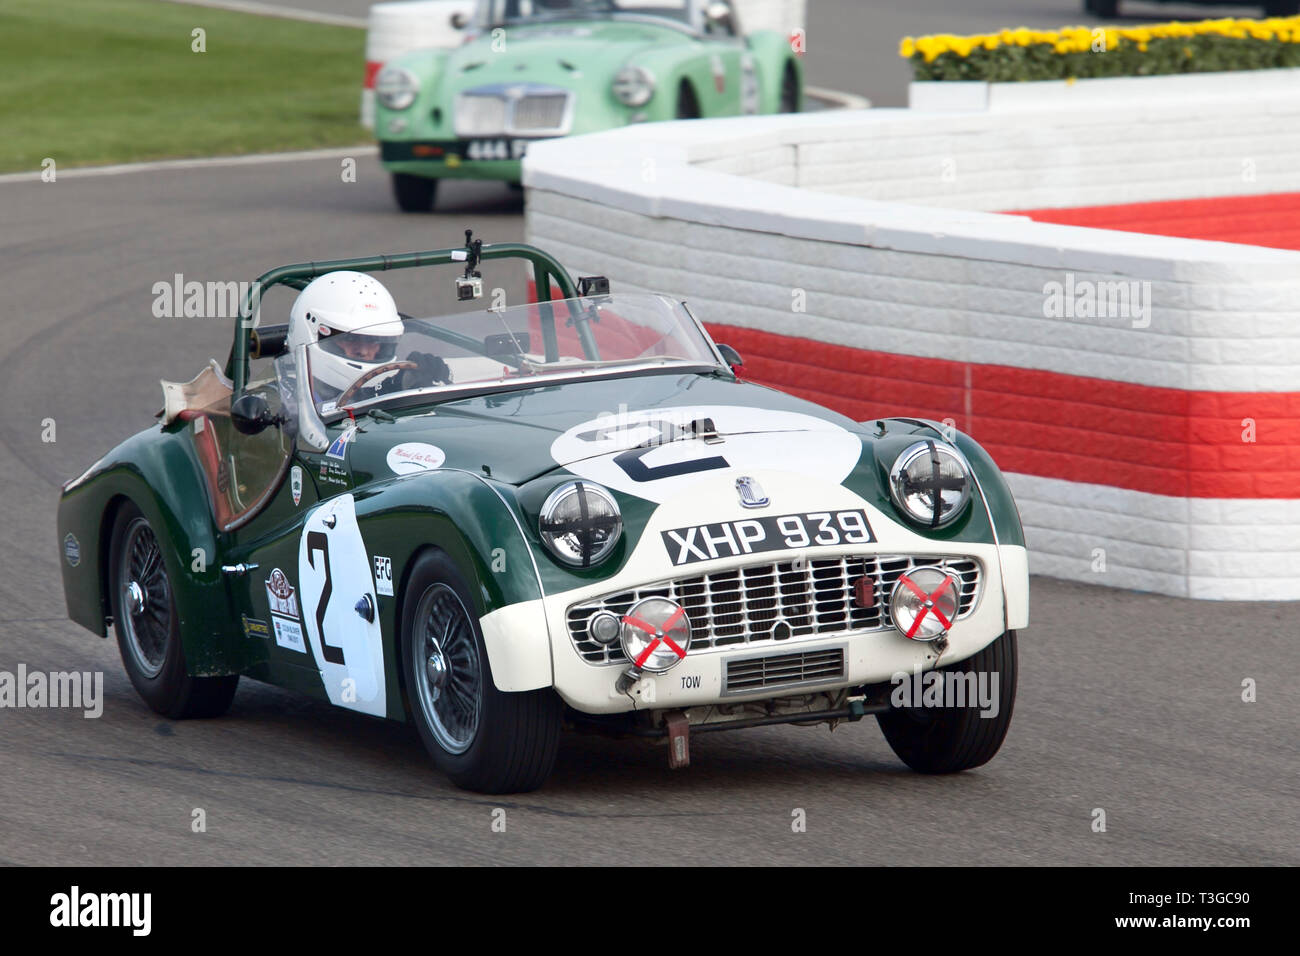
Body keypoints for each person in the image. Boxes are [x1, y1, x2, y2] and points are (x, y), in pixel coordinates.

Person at [286, 271, 450, 406]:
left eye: (373, 341)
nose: (363, 351)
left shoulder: (379, 391)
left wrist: (402, 385)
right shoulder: (282, 402)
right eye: (350, 339)